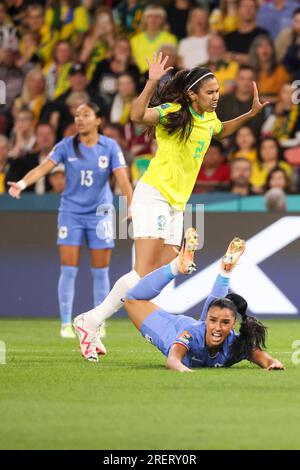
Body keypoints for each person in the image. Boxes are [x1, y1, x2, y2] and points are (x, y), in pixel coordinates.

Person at [73, 52, 269, 361]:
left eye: (218, 91)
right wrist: (151, 82)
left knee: (158, 277)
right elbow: (137, 116)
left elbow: (222, 130)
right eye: (210, 92)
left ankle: (91, 320)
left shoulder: (208, 119)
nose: (216, 97)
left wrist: (250, 114)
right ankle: (90, 321)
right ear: (192, 94)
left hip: (177, 205)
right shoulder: (174, 111)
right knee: (143, 274)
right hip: (154, 195)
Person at [7, 103, 133, 339]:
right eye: (77, 116)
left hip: (100, 214)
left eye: (85, 115)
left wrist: (129, 205)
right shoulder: (66, 145)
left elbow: (123, 180)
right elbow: (44, 167)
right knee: (68, 269)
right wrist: (22, 183)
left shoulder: (109, 146)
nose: (79, 120)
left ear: (98, 120)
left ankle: (98, 322)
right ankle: (66, 323)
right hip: (71, 213)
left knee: (100, 271)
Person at [77, 229, 285, 370]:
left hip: (194, 325)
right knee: (131, 299)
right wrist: (180, 368)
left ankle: (216, 270)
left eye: (225, 323)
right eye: (215, 321)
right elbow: (173, 359)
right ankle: (185, 266)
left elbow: (261, 357)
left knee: (211, 319)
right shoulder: (192, 335)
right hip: (172, 330)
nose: (219, 328)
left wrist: (272, 363)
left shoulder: (234, 343)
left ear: (233, 325)